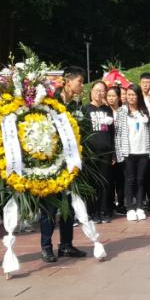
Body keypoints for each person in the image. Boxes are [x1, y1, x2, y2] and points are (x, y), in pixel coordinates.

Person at [39, 66, 88, 263]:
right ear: (68, 82)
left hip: (70, 162)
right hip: (52, 163)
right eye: (80, 82)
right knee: (50, 207)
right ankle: (46, 246)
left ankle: (66, 245)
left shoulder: (76, 105)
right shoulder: (52, 103)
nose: (82, 86)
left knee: (68, 204)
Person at [115, 85, 150, 221]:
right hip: (128, 152)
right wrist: (119, 153)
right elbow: (117, 134)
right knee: (129, 180)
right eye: (128, 94)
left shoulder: (144, 111)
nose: (131, 97)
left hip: (143, 151)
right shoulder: (121, 111)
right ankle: (130, 208)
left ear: (138, 96)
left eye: (133, 94)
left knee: (141, 180)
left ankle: (140, 207)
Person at [84, 81, 116, 224]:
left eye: (102, 91)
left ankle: (104, 210)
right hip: (91, 153)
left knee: (105, 182)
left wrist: (113, 152)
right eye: (96, 90)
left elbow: (112, 132)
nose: (99, 93)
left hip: (106, 152)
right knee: (92, 183)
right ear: (91, 91)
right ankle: (93, 212)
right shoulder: (85, 109)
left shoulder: (107, 109)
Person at [106, 86, 126, 215]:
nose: (111, 98)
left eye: (113, 96)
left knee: (121, 179)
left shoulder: (124, 111)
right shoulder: (104, 111)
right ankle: (110, 204)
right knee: (110, 179)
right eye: (109, 96)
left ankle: (121, 203)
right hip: (109, 150)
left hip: (122, 150)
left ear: (118, 97)